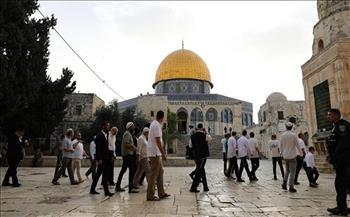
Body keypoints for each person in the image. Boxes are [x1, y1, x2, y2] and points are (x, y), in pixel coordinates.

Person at [326, 109, 350, 216]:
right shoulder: (336, 127)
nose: (328, 117)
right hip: (341, 161)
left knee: (341, 184)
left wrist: (334, 156)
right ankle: (341, 206)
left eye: (330, 115)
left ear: (336, 116)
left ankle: (342, 209)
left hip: (344, 161)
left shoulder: (342, 126)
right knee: (343, 184)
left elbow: (343, 144)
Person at [146, 110, 170, 201]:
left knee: (160, 172)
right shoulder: (156, 125)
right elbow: (157, 140)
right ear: (162, 117)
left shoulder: (154, 124)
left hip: (156, 153)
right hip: (155, 153)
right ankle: (150, 195)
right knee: (153, 174)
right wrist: (163, 153)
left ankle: (161, 193)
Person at [89, 122, 113, 196]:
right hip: (102, 159)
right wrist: (99, 159)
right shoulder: (99, 136)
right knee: (104, 175)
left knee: (98, 175)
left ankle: (92, 189)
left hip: (106, 159)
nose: (108, 127)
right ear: (103, 126)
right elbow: (98, 149)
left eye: (109, 126)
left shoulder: (106, 135)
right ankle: (106, 192)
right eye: (107, 126)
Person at [115, 122, 138, 193]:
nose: (134, 128)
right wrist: (134, 147)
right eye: (133, 127)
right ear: (130, 127)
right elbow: (126, 144)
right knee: (131, 170)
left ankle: (119, 186)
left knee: (126, 170)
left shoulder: (128, 134)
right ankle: (130, 188)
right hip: (128, 155)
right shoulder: (127, 134)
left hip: (128, 155)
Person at [280, 122, 301, 193]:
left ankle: (284, 183)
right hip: (292, 155)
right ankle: (291, 186)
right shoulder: (294, 135)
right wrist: (301, 153)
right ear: (291, 127)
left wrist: (281, 154)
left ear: (286, 127)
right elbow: (298, 145)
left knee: (287, 170)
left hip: (285, 155)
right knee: (293, 171)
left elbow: (281, 146)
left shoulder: (282, 135)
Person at [189, 123, 210, 192]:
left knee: (201, 170)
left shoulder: (192, 136)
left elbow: (190, 146)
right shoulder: (205, 135)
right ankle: (193, 187)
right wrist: (206, 132)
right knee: (199, 170)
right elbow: (210, 139)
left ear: (197, 128)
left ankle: (205, 187)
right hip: (203, 156)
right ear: (202, 128)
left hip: (196, 156)